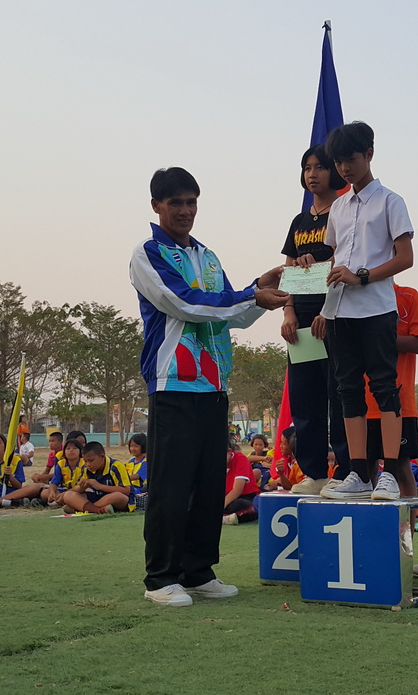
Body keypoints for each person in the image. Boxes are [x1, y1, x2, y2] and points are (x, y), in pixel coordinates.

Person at [130, 166, 288, 607]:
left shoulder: (208, 256)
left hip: (214, 385)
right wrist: (249, 295)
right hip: (173, 384)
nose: (185, 211)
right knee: (171, 485)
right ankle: (161, 578)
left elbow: (230, 314)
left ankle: (198, 571)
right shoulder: (148, 253)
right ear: (156, 205)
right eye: (176, 203)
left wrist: (259, 292)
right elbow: (184, 303)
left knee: (207, 483)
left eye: (191, 202)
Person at [317, 122, 415, 502]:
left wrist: (362, 276)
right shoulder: (338, 207)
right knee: (347, 390)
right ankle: (358, 472)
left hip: (376, 308)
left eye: (351, 159)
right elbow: (335, 259)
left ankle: (388, 472)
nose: (344, 168)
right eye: (338, 161)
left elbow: (405, 258)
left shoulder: (391, 201)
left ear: (369, 154)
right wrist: (324, 305)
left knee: (384, 387)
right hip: (339, 311)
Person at [279, 145, 349, 494]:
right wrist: (289, 311)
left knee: (340, 396)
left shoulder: (345, 213)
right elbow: (288, 269)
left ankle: (347, 472)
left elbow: (344, 263)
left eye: (320, 167)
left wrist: (327, 310)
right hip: (302, 323)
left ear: (334, 171)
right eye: (307, 167)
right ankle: (314, 473)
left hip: (335, 316)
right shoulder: (299, 221)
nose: (312, 174)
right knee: (305, 398)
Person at [365, 283, 418, 496]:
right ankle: (370, 518)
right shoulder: (353, 299)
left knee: (401, 467)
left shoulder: (408, 296)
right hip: (361, 404)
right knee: (366, 468)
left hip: (399, 403)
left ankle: (409, 519)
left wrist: (379, 339)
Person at [60, 441, 131, 515]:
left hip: (116, 499)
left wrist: (100, 486)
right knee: (68, 495)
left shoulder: (116, 466)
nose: (88, 464)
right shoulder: (87, 469)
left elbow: (126, 490)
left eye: (91, 460)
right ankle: (98, 510)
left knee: (117, 496)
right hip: (97, 497)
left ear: (102, 457)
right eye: (85, 461)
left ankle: (82, 509)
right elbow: (79, 488)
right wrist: (81, 487)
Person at [222, 441, 259, 525]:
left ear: (229, 451)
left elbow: (237, 490)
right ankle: (226, 518)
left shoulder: (241, 459)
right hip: (226, 497)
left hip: (245, 496)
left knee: (242, 505)